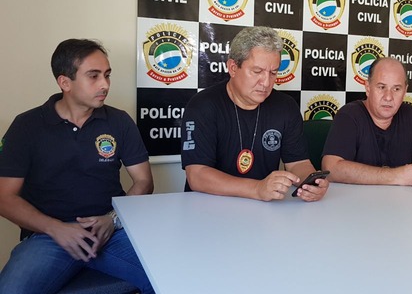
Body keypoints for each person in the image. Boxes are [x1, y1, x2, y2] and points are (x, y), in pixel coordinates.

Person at [0, 39, 155, 293]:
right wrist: (55, 228)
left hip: (110, 233)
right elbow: (4, 197)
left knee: (171, 277)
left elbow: (144, 181)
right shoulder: (27, 126)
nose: (105, 84)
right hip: (47, 236)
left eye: (107, 75)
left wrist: (113, 220)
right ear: (65, 83)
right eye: (93, 76)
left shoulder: (119, 121)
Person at [181, 26, 328, 201]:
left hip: (262, 208)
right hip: (206, 208)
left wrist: (310, 182)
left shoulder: (285, 106)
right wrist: (257, 188)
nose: (266, 82)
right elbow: (197, 175)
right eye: (257, 72)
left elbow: (298, 163)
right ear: (233, 68)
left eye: (273, 73)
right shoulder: (202, 105)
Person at [322, 57, 412, 186]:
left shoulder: (410, 114)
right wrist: (396, 176)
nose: (388, 97)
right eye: (381, 87)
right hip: (358, 203)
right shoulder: (349, 115)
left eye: (396, 89)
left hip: (401, 203)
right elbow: (331, 168)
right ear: (368, 87)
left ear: (405, 91)